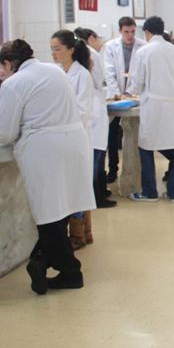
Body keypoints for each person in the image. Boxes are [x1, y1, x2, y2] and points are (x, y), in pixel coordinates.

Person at [0, 39, 94, 295]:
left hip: (44, 150)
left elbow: (5, 133)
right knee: (62, 209)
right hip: (73, 142)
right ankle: (41, 260)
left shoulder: (14, 83)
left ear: (9, 63)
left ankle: (70, 271)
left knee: (48, 215)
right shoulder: (56, 71)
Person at [129, 16, 174, 203]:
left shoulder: (144, 51)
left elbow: (138, 82)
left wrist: (133, 92)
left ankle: (150, 192)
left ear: (147, 32)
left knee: (146, 148)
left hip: (154, 106)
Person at [50, 30, 96, 250]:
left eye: (57, 49)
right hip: (63, 136)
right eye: (52, 49)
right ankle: (84, 232)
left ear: (71, 49)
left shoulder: (82, 75)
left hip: (77, 136)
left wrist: (58, 115)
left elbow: (82, 110)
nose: (54, 53)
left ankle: (79, 234)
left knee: (77, 186)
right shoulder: (58, 73)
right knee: (70, 186)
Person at [74, 28, 115, 209]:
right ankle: (96, 195)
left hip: (92, 112)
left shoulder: (78, 65)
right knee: (96, 157)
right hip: (94, 111)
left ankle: (99, 191)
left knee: (96, 156)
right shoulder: (92, 56)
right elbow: (99, 81)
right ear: (90, 38)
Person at [103, 17, 146, 183]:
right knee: (112, 133)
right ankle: (113, 169)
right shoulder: (111, 46)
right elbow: (109, 72)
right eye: (126, 32)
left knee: (134, 132)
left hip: (133, 95)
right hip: (115, 95)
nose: (130, 35)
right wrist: (117, 94)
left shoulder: (142, 46)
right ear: (120, 31)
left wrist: (129, 93)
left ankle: (134, 169)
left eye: (133, 32)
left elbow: (140, 74)